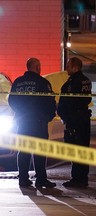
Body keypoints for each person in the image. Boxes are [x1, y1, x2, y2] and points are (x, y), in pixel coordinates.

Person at [8, 57, 56, 188]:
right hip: (38, 122)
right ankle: (41, 179)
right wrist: (48, 117)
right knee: (39, 151)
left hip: (22, 121)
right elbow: (50, 102)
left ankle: (23, 179)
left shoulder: (18, 82)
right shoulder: (42, 82)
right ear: (38, 67)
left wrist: (20, 113)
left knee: (23, 150)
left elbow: (11, 100)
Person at [57, 57, 92, 188]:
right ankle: (83, 177)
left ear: (75, 67)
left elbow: (67, 103)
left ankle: (77, 178)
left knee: (75, 148)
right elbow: (86, 100)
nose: (66, 68)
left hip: (74, 120)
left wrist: (64, 116)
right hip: (83, 119)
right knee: (83, 148)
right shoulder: (86, 80)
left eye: (68, 66)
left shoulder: (72, 83)